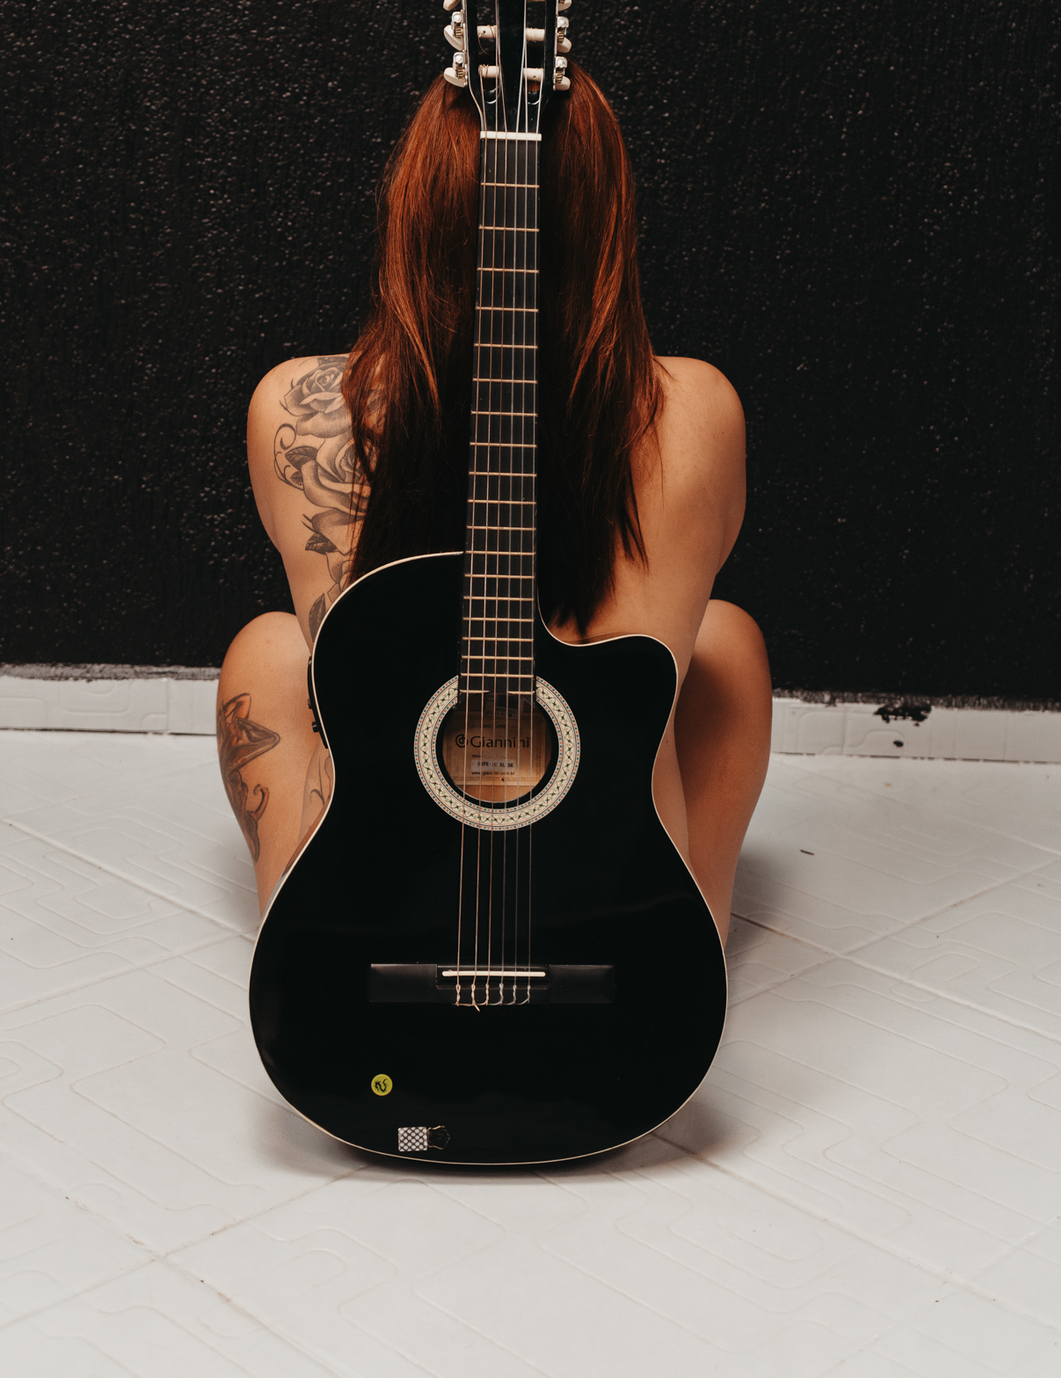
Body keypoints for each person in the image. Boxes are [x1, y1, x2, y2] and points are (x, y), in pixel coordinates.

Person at [217, 63, 771, 944]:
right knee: (725, 643)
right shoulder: (697, 409)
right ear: (606, 216)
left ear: (413, 209)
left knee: (270, 650)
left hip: (386, 928)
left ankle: (309, 936)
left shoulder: (297, 406)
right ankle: (678, 942)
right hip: (603, 931)